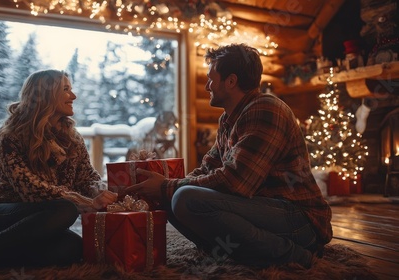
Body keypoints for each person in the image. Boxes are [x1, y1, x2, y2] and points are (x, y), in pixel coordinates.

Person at [125, 43, 332, 269]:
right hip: (262, 211)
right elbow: (208, 168)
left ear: (231, 81)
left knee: (184, 198)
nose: (207, 86)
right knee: (173, 198)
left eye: (211, 79)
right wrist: (163, 188)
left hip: (300, 221)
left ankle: (293, 255)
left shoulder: (266, 109)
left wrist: (168, 186)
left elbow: (236, 182)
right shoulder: (228, 118)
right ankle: (238, 254)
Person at [0, 70, 118, 279]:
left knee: (75, 248)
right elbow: (30, 189)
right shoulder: (14, 135)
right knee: (65, 210)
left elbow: (86, 177)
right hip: (1, 218)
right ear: (45, 94)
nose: (73, 96)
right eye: (66, 89)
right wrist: (85, 202)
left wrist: (103, 193)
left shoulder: (73, 138)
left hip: (41, 224)